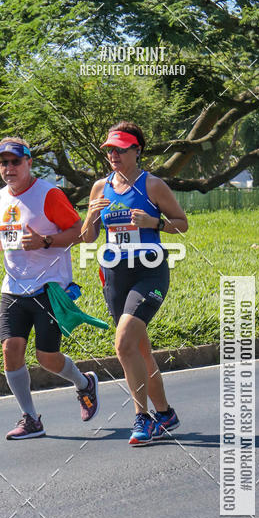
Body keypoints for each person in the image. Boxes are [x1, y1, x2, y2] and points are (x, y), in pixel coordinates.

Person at [0, 136, 99, 440]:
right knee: (10, 349)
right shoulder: (0, 197)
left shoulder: (49, 194)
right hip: (13, 288)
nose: (9, 168)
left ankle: (84, 383)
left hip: (49, 288)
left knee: (47, 357)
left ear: (29, 162)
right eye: (3, 163)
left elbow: (80, 232)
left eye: (15, 161)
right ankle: (31, 418)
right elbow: (1, 233)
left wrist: (45, 241)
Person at [81, 121, 188, 446]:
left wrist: (154, 222)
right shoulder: (100, 187)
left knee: (124, 343)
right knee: (140, 350)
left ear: (137, 150)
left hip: (149, 271)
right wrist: (90, 215)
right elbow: (87, 237)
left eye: (120, 149)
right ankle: (166, 414)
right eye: (109, 150)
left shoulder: (152, 185)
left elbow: (182, 224)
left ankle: (143, 417)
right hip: (115, 274)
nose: (113, 155)